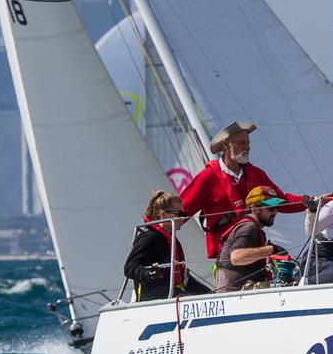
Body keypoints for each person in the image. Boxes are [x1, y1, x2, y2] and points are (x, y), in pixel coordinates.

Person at [180, 121, 313, 258]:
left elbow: (282, 201)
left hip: (254, 247)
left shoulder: (256, 174)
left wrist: (312, 201)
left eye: (248, 143)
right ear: (226, 145)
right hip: (226, 254)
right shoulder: (207, 177)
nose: (247, 148)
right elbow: (181, 210)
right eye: (242, 143)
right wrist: (161, 232)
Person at [123, 191, 210, 301]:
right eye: (180, 215)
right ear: (163, 215)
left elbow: (183, 277)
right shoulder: (149, 237)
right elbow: (129, 267)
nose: (183, 218)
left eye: (184, 214)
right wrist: (149, 273)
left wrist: (210, 293)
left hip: (173, 294)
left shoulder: (172, 239)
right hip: (153, 299)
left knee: (204, 297)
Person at [215, 185, 289, 293]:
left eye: (277, 208)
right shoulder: (249, 228)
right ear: (255, 209)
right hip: (235, 297)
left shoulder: (254, 229)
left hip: (242, 294)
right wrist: (271, 249)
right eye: (271, 208)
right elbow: (236, 258)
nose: (275, 212)